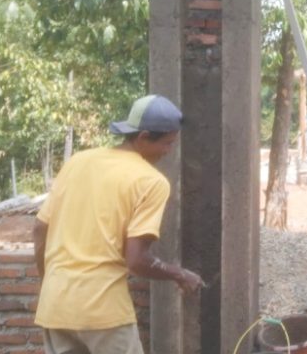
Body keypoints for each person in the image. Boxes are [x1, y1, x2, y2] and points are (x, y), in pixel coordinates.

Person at [33, 95, 204, 354]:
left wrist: (51, 281)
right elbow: (136, 260)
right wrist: (180, 275)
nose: (168, 151)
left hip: (55, 305)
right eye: (167, 144)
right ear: (144, 136)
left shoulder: (79, 161)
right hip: (103, 310)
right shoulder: (150, 181)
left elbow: (39, 229)